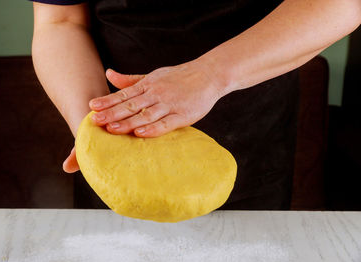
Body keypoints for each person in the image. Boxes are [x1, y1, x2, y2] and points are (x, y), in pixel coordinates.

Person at [30, 0, 361, 209]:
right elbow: (60, 22)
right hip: (120, 135)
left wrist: (210, 75)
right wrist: (94, 127)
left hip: (252, 126)